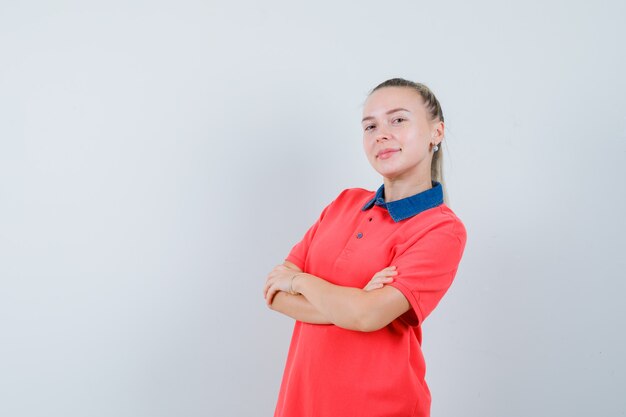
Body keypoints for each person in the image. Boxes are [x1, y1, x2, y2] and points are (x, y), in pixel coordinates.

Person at [263, 78, 467, 417]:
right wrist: (357, 299)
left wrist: (300, 283)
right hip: (302, 404)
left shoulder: (441, 229)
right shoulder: (344, 203)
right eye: (369, 126)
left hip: (380, 407)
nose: (380, 134)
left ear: (437, 132)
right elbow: (274, 294)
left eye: (398, 120)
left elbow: (367, 314)